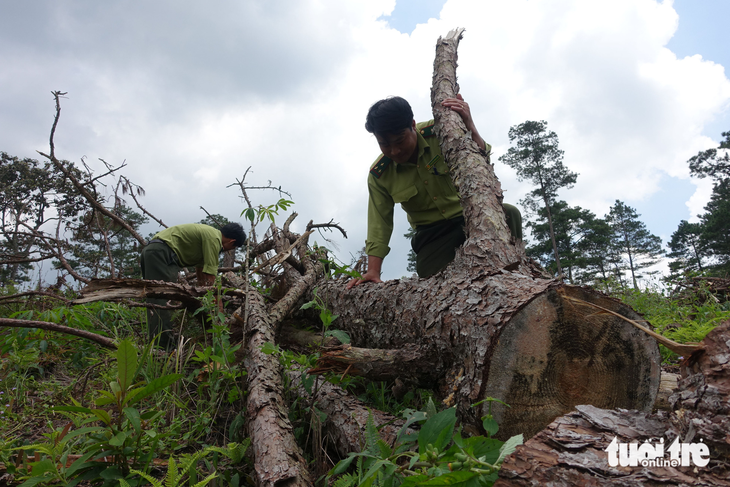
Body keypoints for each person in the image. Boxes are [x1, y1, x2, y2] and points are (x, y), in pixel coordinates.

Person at [347, 95, 521, 288]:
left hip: (471, 217)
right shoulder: (380, 174)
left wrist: (469, 125)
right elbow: (379, 225)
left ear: (412, 125)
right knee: (438, 289)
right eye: (385, 144)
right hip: (433, 237)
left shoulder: (441, 132)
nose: (395, 151)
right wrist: (373, 271)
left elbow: (481, 160)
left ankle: (517, 274)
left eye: (400, 141)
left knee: (509, 213)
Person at [140, 222, 246, 349]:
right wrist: (219, 309)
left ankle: (159, 341)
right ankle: (162, 346)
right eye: (233, 247)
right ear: (231, 241)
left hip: (154, 252)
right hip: (163, 255)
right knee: (162, 299)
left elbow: (202, 273)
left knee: (156, 298)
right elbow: (211, 278)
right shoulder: (214, 239)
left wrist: (201, 296)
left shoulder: (208, 235)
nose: (229, 250)